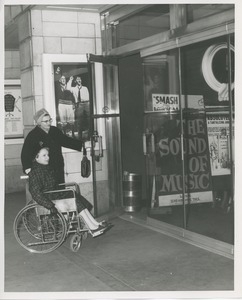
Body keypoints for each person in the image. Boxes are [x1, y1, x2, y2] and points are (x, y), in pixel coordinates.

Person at [29, 146, 107, 234]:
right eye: (44, 155)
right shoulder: (35, 172)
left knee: (75, 197)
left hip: (54, 195)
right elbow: (35, 193)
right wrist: (50, 205)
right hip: (50, 200)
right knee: (74, 200)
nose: (48, 157)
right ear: (36, 157)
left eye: (48, 155)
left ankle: (94, 223)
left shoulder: (44, 169)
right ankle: (92, 226)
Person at [21, 108, 82, 184]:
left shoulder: (55, 131)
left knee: (60, 189)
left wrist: (82, 145)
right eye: (46, 121)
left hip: (57, 166)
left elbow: (66, 141)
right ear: (39, 123)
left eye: (50, 120)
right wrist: (27, 168)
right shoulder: (33, 135)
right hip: (43, 169)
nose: (49, 123)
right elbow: (25, 153)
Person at [66, 75, 90, 140]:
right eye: (77, 79)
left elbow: (88, 97)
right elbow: (68, 88)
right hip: (79, 105)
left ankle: (89, 136)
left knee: (89, 120)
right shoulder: (74, 89)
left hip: (87, 104)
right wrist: (70, 80)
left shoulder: (85, 88)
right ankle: (80, 137)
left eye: (80, 79)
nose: (79, 80)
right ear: (75, 81)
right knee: (79, 121)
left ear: (81, 80)